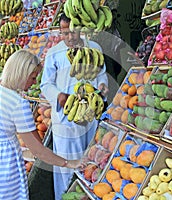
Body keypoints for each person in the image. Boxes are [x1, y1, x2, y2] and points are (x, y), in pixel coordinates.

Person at [0, 50, 83, 200]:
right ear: (21, 73)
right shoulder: (18, 103)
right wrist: (68, 163)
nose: (34, 82)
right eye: (33, 77)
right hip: (3, 173)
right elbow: (38, 151)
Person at [40, 14, 109, 200]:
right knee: (66, 165)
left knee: (91, 160)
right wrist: (59, 96)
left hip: (90, 116)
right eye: (65, 33)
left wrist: (103, 86)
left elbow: (101, 74)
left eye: (73, 31)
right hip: (66, 120)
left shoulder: (94, 48)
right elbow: (45, 84)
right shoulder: (54, 53)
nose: (70, 37)